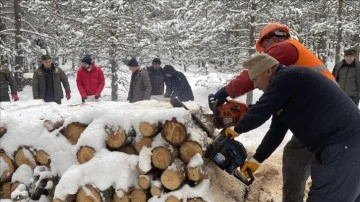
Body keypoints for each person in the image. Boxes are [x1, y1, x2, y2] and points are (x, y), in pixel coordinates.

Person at [213, 22, 336, 202]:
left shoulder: (284, 48)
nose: (265, 54)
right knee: (298, 154)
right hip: (319, 110)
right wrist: (257, 159)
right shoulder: (296, 56)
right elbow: (277, 126)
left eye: (264, 49)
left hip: (323, 115)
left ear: (273, 39)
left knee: (297, 158)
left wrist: (224, 92)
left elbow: (254, 75)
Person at [224, 53, 360, 202]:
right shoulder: (289, 87)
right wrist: (257, 159)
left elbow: (261, 109)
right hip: (347, 145)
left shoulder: (287, 77)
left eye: (255, 79)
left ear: (268, 71)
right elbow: (276, 131)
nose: (255, 85)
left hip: (343, 148)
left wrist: (237, 129)